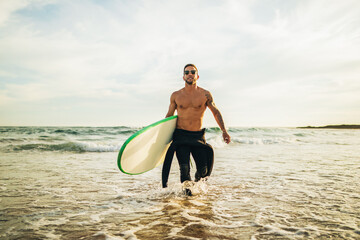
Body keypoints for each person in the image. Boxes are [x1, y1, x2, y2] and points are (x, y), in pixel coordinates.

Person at [162, 63, 231, 195]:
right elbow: (169, 116)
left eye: (192, 72)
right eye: (187, 72)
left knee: (203, 171)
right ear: (183, 77)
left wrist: (224, 131)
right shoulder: (176, 95)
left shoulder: (205, 94)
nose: (190, 74)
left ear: (197, 76)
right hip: (180, 137)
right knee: (184, 169)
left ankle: (196, 188)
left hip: (197, 137)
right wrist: (160, 137)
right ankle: (187, 202)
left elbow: (215, 112)